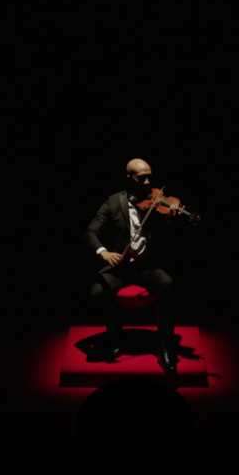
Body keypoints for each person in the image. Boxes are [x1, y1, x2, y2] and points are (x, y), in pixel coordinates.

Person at [84, 158, 186, 375]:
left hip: (146, 268)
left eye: (150, 177)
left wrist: (173, 222)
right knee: (96, 293)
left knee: (167, 284)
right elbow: (91, 232)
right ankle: (115, 335)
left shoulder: (158, 202)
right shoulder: (113, 202)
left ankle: (165, 346)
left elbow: (170, 240)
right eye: (142, 179)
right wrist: (104, 252)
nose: (148, 183)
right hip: (120, 267)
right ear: (129, 179)